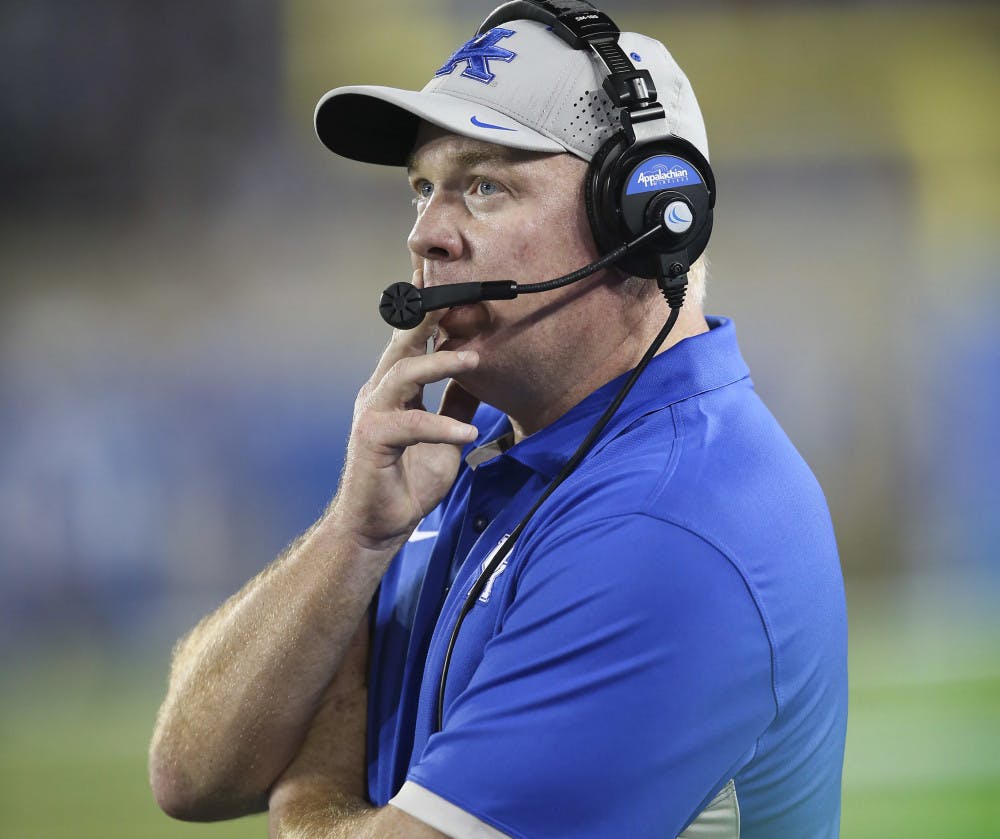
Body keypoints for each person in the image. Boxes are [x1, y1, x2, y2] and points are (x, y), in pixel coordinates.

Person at [149, 3, 848, 837]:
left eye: (485, 186)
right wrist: (352, 536)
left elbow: (301, 784)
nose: (426, 234)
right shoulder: (468, 454)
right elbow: (189, 774)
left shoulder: (669, 523)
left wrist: (308, 787)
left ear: (648, 218)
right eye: (422, 187)